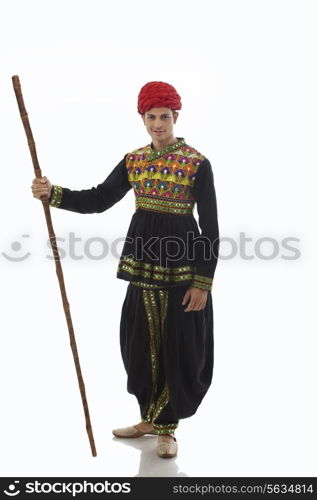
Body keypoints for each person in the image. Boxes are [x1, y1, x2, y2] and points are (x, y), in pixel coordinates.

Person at [31, 81, 219, 459]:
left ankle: (168, 429)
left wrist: (203, 282)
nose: (158, 124)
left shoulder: (197, 163)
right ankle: (148, 419)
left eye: (164, 117)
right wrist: (54, 194)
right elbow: (100, 198)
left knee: (175, 345)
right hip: (142, 266)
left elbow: (211, 227)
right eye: (151, 117)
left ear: (175, 117)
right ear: (143, 119)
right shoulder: (134, 160)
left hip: (181, 271)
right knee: (139, 344)